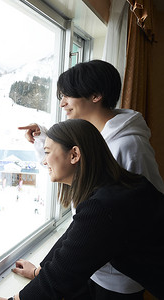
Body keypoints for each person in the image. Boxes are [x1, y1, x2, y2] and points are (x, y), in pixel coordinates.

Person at [18, 59, 164, 298]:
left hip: (116, 276)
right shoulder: (95, 137)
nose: (63, 103)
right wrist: (42, 141)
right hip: (94, 264)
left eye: (68, 95)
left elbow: (145, 212)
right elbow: (72, 168)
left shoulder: (128, 145)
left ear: (96, 95)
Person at [0, 119, 164, 300]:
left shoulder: (104, 207)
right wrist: (40, 270)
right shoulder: (119, 186)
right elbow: (77, 234)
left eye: (47, 152)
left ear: (74, 155)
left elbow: (61, 277)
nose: (44, 162)